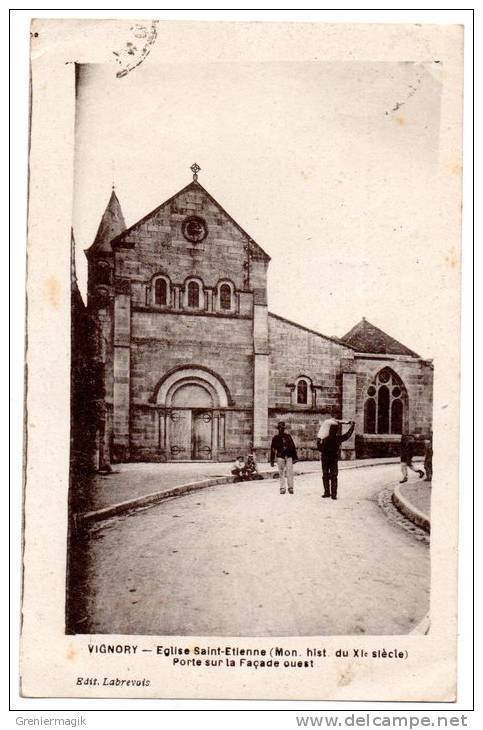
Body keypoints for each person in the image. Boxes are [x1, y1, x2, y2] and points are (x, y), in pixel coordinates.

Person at [317, 420, 355, 500]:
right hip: (333, 459)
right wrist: (352, 427)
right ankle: (333, 494)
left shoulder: (325, 439)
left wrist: (318, 441)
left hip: (325, 459)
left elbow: (320, 448)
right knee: (334, 476)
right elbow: (347, 435)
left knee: (325, 475)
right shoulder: (337, 439)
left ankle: (327, 492)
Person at [270, 422, 298, 495]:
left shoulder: (288, 437)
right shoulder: (275, 438)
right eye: (280, 428)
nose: (281, 429)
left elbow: (292, 447)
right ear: (278, 429)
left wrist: (295, 457)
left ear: (284, 429)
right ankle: (282, 488)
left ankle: (290, 487)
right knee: (281, 472)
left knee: (290, 472)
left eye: (282, 428)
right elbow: (272, 449)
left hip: (289, 456)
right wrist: (272, 460)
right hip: (280, 456)